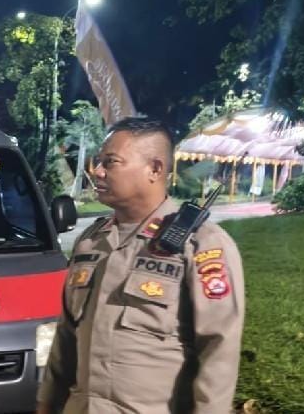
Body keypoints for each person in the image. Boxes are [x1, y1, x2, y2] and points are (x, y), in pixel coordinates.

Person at [36, 118, 245, 413]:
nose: (97, 171)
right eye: (98, 162)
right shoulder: (91, 242)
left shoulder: (201, 244)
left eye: (111, 162)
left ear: (154, 169)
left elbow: (219, 350)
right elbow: (66, 338)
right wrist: (47, 404)